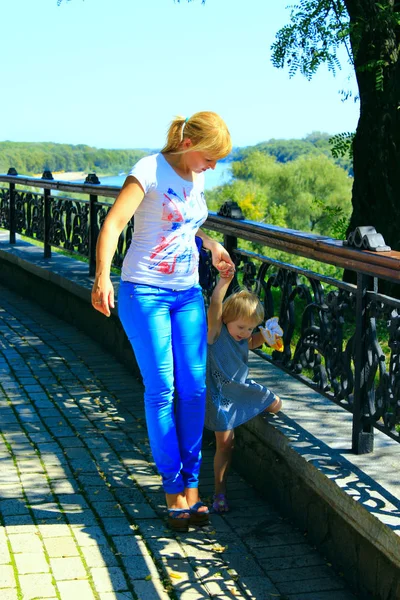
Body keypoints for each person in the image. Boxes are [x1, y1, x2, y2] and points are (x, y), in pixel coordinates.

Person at [91, 111, 235, 532]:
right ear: (190, 145)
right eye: (210, 158)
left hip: (187, 293)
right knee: (162, 390)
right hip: (145, 292)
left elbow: (183, 226)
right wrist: (102, 276)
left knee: (194, 391)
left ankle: (193, 487)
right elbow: (114, 224)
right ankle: (174, 491)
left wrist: (209, 244)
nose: (212, 167)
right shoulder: (148, 170)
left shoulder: (197, 176)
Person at [205, 272, 283, 514]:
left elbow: (251, 342)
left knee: (276, 404)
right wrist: (224, 281)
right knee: (226, 443)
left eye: (250, 328)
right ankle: (220, 492)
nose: (245, 332)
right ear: (226, 318)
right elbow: (216, 303)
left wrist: (267, 336)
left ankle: (256, 406)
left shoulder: (243, 337)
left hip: (242, 388)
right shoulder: (215, 333)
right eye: (241, 327)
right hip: (219, 395)